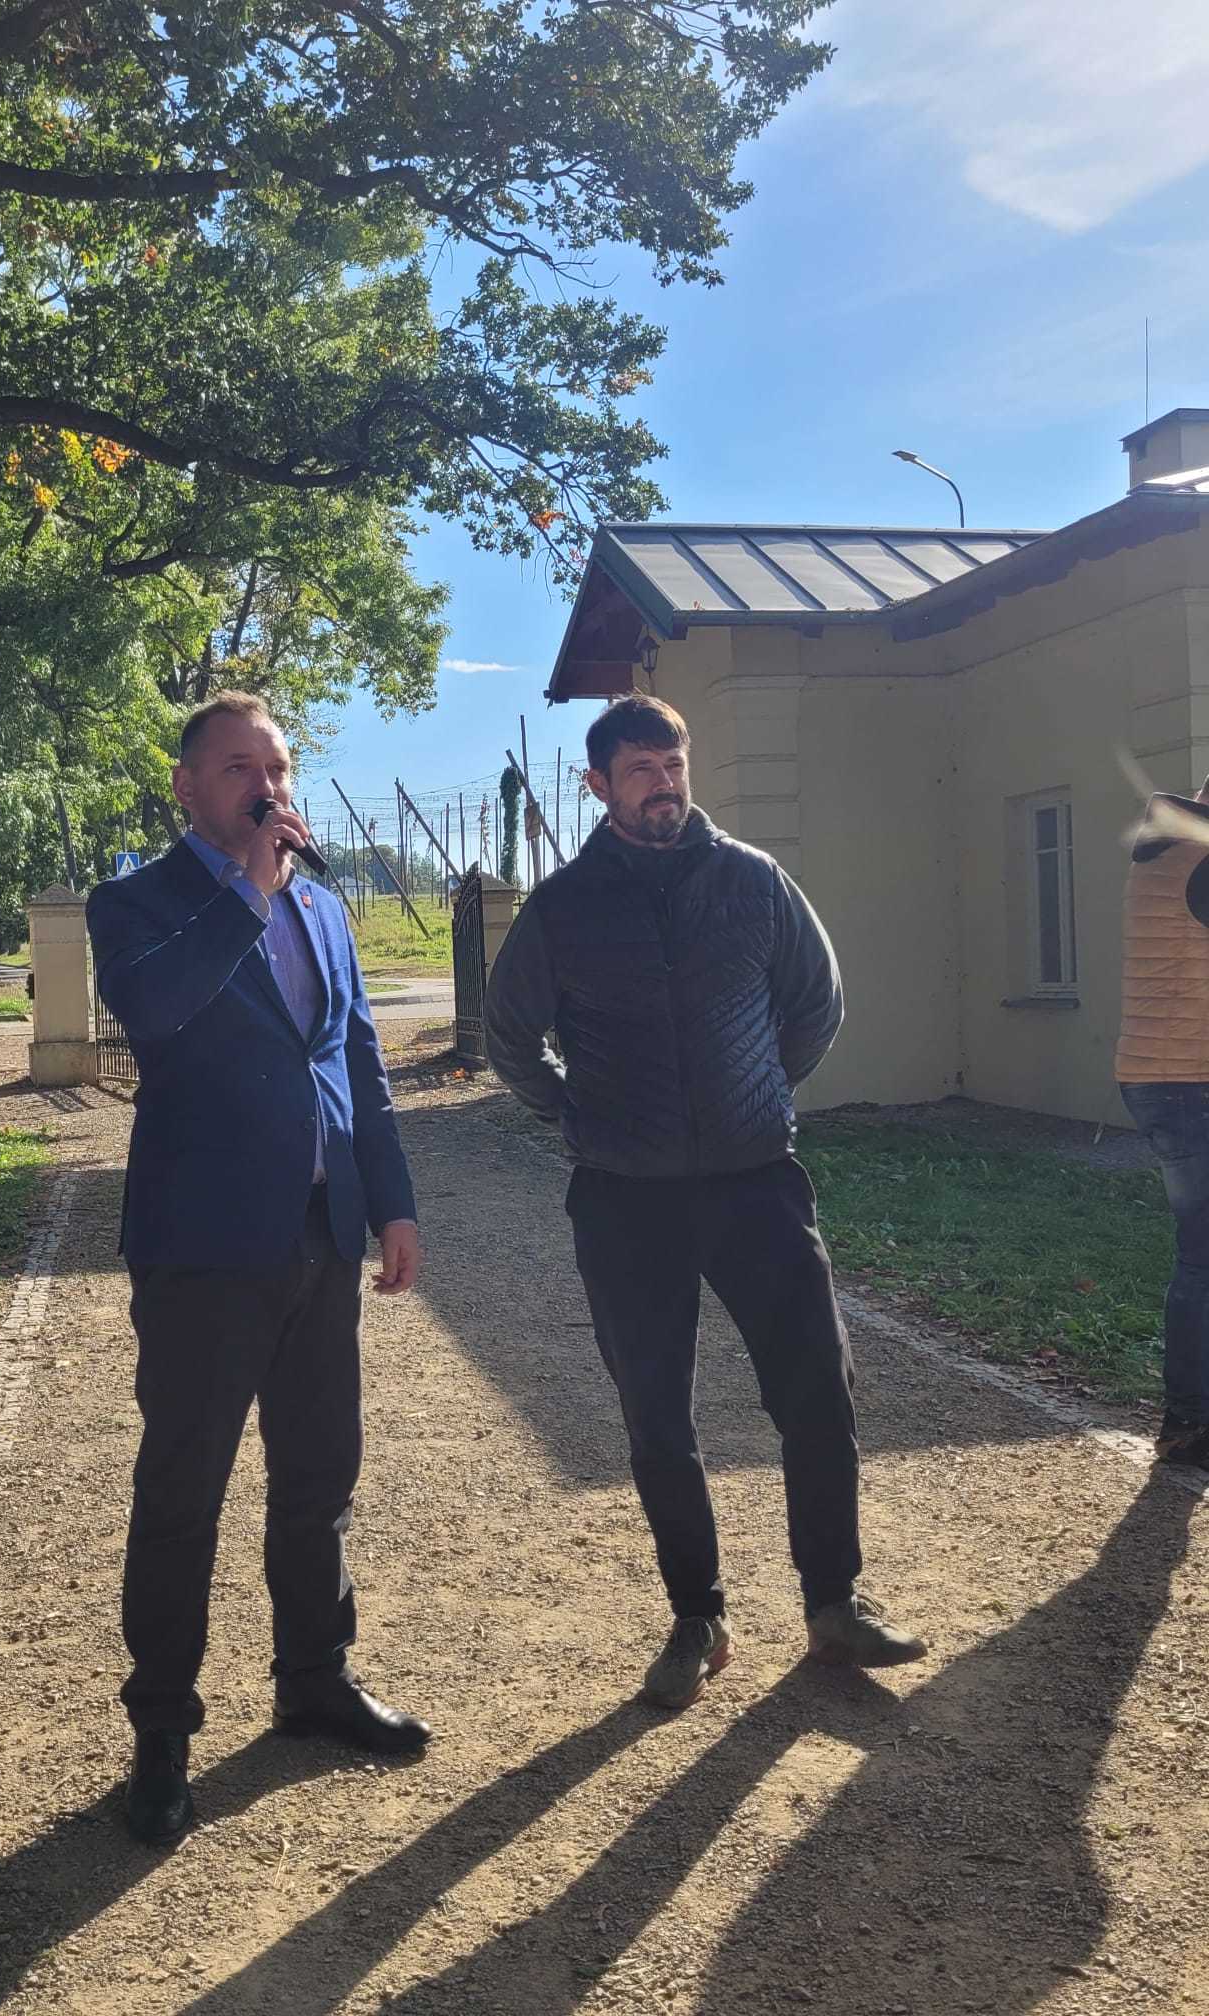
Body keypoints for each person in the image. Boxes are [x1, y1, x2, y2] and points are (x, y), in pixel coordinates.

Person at [482, 694, 925, 1709]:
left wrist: (759, 1088)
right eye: (641, 769)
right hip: (624, 1199)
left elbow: (815, 1004)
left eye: (674, 764)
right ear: (598, 785)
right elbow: (510, 1037)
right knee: (656, 1415)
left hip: (755, 1181)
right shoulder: (563, 907)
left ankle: (834, 1605)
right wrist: (575, 1112)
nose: (664, 784)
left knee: (817, 1391)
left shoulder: (753, 881)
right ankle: (698, 1618)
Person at [87, 692, 429, 1846]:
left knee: (320, 1474)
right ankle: (161, 1732)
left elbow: (359, 1066)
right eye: (239, 768)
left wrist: (393, 1203)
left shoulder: (323, 906)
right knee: (183, 1494)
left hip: (322, 1234)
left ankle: (314, 1679)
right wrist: (245, 892)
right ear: (187, 786)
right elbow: (155, 1012)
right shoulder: (136, 903)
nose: (265, 787)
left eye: (276, 767)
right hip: (202, 1248)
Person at [1115, 779, 1209, 1468]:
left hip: (1158, 1075)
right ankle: (1189, 1421)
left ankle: (1190, 1416)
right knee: (1202, 1258)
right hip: (1189, 1082)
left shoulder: (1166, 851)